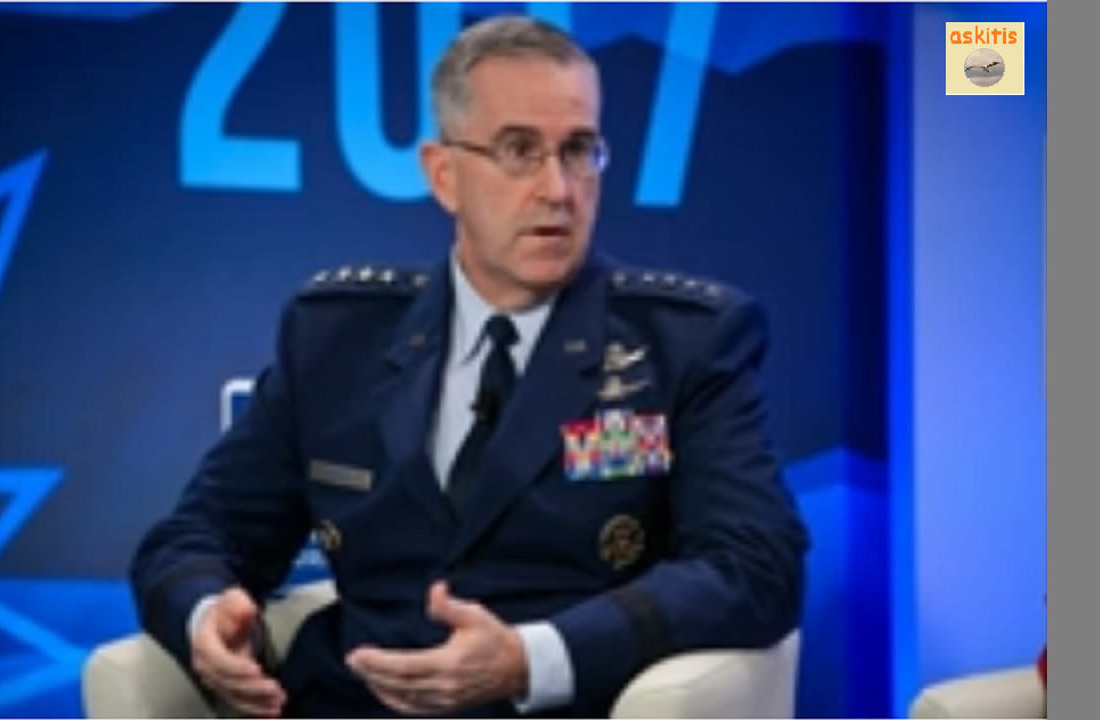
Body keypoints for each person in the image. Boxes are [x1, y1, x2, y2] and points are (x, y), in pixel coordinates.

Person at [130, 14, 809, 718]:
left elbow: (755, 565)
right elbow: (195, 536)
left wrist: (531, 660)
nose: (558, 188)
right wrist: (207, 614)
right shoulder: (336, 338)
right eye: (519, 151)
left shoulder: (684, 343)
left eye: (579, 151)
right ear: (444, 174)